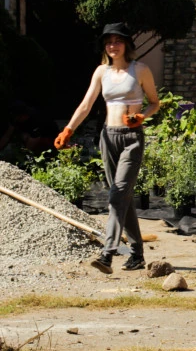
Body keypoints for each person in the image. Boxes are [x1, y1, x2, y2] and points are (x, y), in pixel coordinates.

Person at [54, 23, 160, 274]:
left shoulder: (140, 70)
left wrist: (141, 117)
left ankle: (107, 253)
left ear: (127, 44)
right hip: (108, 137)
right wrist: (68, 129)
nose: (113, 45)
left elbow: (154, 103)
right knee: (122, 196)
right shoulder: (102, 72)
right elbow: (86, 104)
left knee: (118, 193)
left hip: (131, 138)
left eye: (118, 41)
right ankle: (137, 254)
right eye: (109, 41)